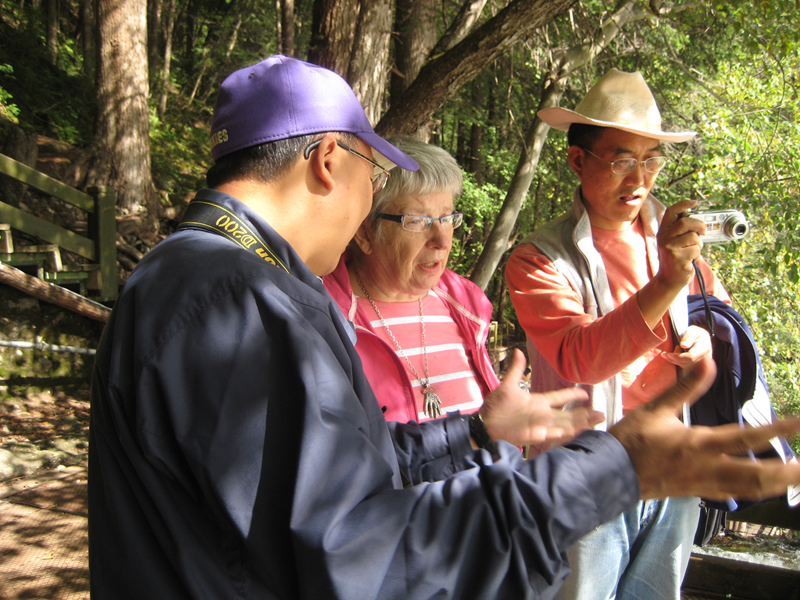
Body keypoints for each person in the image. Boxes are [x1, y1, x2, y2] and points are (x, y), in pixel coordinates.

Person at [89, 56, 800, 600]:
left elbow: (336, 480)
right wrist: (608, 469)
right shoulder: (232, 300)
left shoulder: (201, 276)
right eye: (377, 177)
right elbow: (357, 551)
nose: (372, 204)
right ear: (329, 163)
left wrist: (474, 432)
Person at [506, 68, 730, 600]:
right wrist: (669, 279)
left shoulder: (674, 239)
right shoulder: (539, 258)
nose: (640, 179)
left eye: (651, 159)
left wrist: (703, 341)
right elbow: (581, 356)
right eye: (622, 160)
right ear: (578, 160)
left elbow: (716, 317)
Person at [323, 137, 501, 423]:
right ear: (366, 232)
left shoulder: (466, 309)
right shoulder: (324, 319)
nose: (442, 241)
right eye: (417, 221)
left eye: (447, 218)